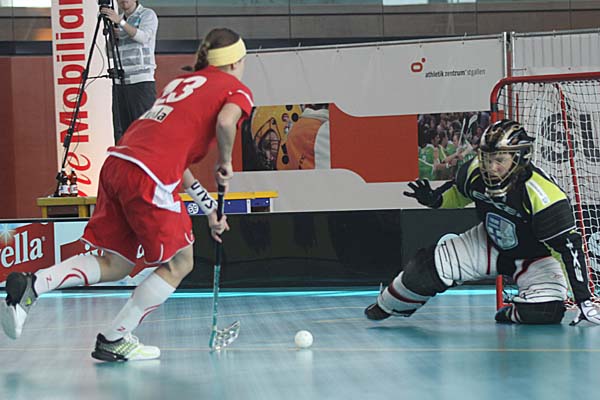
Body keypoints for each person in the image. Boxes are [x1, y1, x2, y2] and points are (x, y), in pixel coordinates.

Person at [1, 28, 253, 361]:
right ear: (236, 62)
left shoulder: (179, 85)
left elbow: (177, 163)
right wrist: (225, 162)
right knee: (180, 262)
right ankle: (115, 338)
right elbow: (225, 123)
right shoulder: (236, 88)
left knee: (115, 264)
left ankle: (32, 285)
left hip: (118, 165)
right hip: (148, 174)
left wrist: (209, 209)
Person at [365, 119, 600, 326]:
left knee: (545, 313)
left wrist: (583, 300)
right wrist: (434, 200)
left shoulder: (544, 196)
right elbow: (458, 195)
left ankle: (510, 314)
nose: (490, 167)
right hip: (489, 241)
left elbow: (569, 249)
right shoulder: (473, 171)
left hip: (538, 258)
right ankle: (387, 305)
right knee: (424, 269)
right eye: (486, 159)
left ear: (519, 158)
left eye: (499, 160)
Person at [100, 0, 159, 144]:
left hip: (141, 81)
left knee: (145, 129)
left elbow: (143, 37)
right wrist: (113, 37)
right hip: (120, 81)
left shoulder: (147, 14)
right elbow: (110, 53)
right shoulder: (118, 19)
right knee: (122, 132)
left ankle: (146, 158)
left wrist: (121, 23)